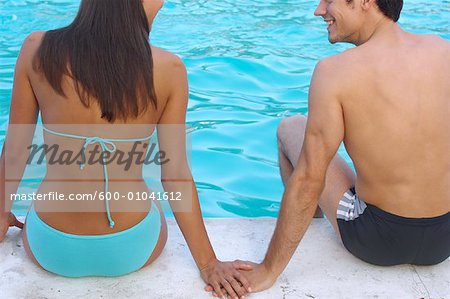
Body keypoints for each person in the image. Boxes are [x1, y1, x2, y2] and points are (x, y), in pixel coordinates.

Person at [0, 1, 252, 298]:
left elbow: (16, 151)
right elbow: (175, 177)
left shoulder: (37, 48)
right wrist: (209, 263)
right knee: (148, 200)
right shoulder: (169, 69)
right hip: (133, 246)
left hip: (51, 245)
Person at [215, 0, 449, 294]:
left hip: (378, 238)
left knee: (291, 127)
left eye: (329, 0)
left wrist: (268, 270)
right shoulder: (443, 50)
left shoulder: (335, 71)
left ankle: (311, 220)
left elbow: (309, 179)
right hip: (444, 239)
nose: (319, 10)